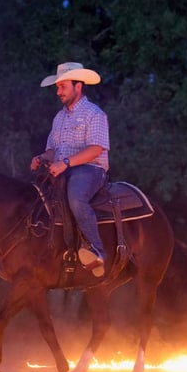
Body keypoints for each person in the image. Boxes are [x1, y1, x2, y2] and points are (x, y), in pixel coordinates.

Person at [30, 62, 110, 277]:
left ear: (78, 86)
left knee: (75, 198)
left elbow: (96, 149)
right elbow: (52, 150)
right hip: (62, 169)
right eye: (57, 87)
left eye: (62, 86)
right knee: (33, 197)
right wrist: (41, 158)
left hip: (90, 170)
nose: (58, 92)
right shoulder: (59, 118)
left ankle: (96, 249)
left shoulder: (94, 114)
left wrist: (65, 163)